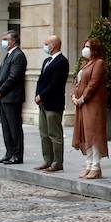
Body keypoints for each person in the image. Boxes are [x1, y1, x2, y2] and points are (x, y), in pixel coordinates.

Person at [72, 38, 109, 180]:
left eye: (88, 47)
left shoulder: (99, 63)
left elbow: (93, 84)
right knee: (85, 134)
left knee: (94, 134)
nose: (85, 49)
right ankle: (88, 165)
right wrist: (74, 96)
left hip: (93, 104)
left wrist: (82, 98)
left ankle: (96, 166)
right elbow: (77, 82)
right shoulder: (85, 63)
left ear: (94, 49)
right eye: (84, 46)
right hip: (82, 104)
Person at [34, 34, 70, 172]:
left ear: (53, 45)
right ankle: (47, 160)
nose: (45, 46)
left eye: (46, 44)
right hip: (43, 103)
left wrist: (42, 95)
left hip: (54, 103)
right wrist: (37, 95)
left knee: (54, 134)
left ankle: (57, 162)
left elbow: (55, 84)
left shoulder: (62, 61)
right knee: (44, 133)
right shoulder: (47, 60)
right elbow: (41, 80)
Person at [0, 31, 27, 165]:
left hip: (12, 97)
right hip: (4, 97)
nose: (3, 42)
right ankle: (9, 153)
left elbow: (14, 77)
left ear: (13, 41)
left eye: (6, 39)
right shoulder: (9, 55)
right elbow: (1, 75)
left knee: (14, 128)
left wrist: (1, 90)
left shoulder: (18, 55)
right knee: (6, 128)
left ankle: (17, 155)